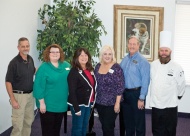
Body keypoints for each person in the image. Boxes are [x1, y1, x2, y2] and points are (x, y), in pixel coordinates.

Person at [149, 30, 186, 136]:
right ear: (158, 52)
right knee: (156, 130)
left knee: (170, 131)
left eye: (166, 50)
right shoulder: (153, 65)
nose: (164, 53)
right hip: (156, 104)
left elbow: (181, 84)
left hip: (170, 105)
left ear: (170, 52)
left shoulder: (176, 67)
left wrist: (179, 95)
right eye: (162, 50)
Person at [33, 44, 70, 136]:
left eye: (57, 52)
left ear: (60, 53)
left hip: (61, 104)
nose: (55, 54)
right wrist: (41, 103)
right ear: (48, 54)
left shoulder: (66, 65)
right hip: (47, 105)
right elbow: (38, 87)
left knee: (56, 130)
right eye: (52, 52)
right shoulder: (43, 68)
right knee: (48, 131)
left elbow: (75, 77)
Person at [120, 36, 150, 136]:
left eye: (134, 44)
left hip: (137, 94)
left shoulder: (143, 61)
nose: (132, 46)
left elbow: (146, 80)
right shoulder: (125, 59)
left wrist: (142, 98)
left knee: (139, 122)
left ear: (138, 45)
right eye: (130, 44)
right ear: (128, 45)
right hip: (125, 94)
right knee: (128, 122)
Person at [5, 37, 35, 136]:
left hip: (30, 95)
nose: (26, 48)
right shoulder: (14, 63)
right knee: (18, 125)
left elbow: (33, 71)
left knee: (28, 121)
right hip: (19, 96)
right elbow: (8, 82)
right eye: (23, 46)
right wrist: (13, 100)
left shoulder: (30, 59)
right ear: (18, 47)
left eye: (27, 46)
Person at [94, 45, 125, 136]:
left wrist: (117, 103)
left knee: (108, 127)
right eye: (105, 54)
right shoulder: (98, 66)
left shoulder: (116, 68)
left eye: (109, 54)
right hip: (99, 101)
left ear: (113, 55)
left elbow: (120, 86)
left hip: (112, 102)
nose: (107, 56)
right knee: (104, 125)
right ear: (101, 55)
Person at [67, 47, 97, 136]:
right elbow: (71, 92)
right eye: (81, 55)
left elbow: (92, 86)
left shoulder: (89, 69)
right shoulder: (74, 72)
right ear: (76, 57)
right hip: (78, 104)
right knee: (77, 128)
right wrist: (76, 108)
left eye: (85, 55)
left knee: (84, 126)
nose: (84, 57)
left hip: (87, 103)